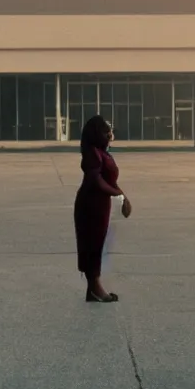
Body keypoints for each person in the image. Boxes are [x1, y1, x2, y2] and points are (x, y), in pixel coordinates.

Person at [74, 115, 132, 303]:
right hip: (90, 205)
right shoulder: (92, 153)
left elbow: (109, 180)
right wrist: (119, 195)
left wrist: (123, 195)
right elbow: (96, 181)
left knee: (98, 245)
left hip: (100, 205)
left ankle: (94, 290)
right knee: (92, 245)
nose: (110, 134)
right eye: (107, 131)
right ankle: (95, 288)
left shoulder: (102, 152)